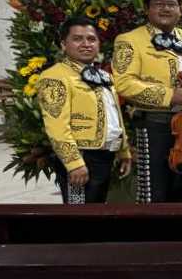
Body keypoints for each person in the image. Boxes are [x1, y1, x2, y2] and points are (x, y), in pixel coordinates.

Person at [113, 0, 182, 203]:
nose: (166, 9)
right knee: (154, 192)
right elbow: (123, 83)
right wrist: (169, 95)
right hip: (154, 124)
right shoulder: (129, 41)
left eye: (171, 4)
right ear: (147, 9)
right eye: (159, 4)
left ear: (180, 9)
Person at [38, 16, 132, 203]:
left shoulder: (104, 75)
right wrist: (73, 164)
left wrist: (123, 150)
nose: (86, 44)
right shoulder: (55, 77)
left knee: (97, 213)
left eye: (91, 39)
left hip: (105, 155)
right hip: (82, 157)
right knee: (79, 215)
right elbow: (56, 127)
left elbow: (115, 116)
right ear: (64, 45)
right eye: (77, 39)